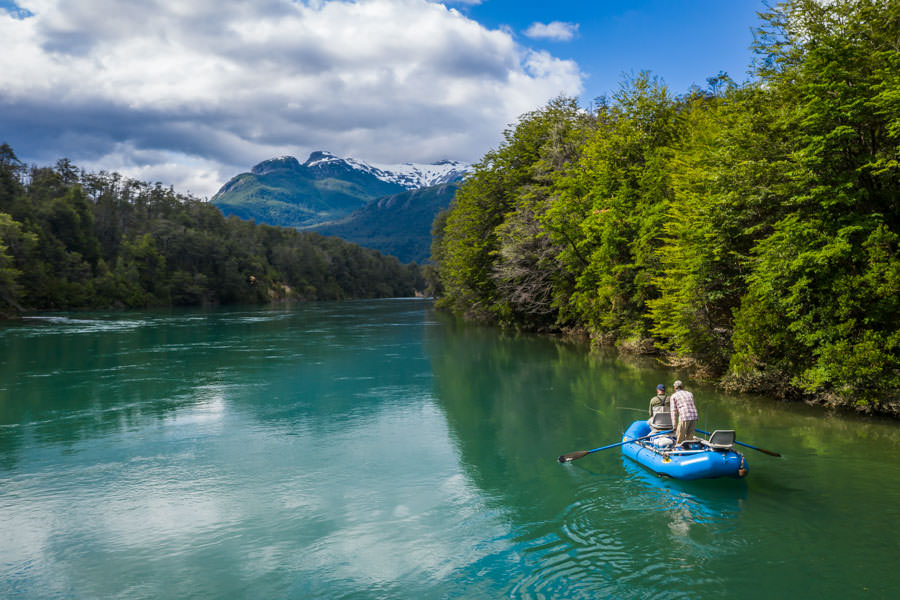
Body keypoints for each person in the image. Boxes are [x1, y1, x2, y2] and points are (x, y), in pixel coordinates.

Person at [669, 380, 698, 446]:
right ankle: (689, 449)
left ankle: (678, 450)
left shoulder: (674, 396)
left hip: (684, 417)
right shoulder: (690, 393)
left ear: (675, 387)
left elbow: (673, 411)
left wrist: (674, 426)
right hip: (694, 416)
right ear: (682, 387)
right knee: (690, 438)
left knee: (680, 438)